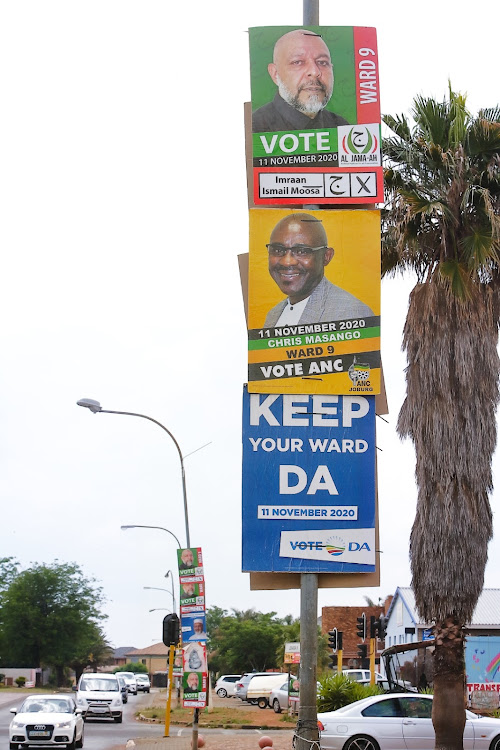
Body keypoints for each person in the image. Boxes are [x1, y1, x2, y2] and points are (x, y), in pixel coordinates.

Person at [263, 213, 373, 326]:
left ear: (326, 256)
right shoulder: (273, 315)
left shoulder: (352, 313)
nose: (287, 262)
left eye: (301, 251)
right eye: (277, 250)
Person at [253, 29, 349, 133]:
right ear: (275, 74)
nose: (314, 71)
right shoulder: (256, 129)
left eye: (322, 62)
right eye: (298, 62)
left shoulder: (343, 129)